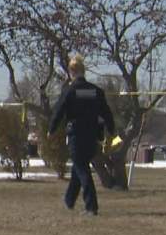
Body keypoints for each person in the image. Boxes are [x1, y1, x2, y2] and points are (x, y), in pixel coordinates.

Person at [48, 55, 116, 216]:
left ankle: (91, 207)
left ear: (71, 72)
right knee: (78, 168)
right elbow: (106, 112)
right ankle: (69, 200)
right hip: (92, 136)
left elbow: (59, 111)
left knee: (82, 169)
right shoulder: (95, 91)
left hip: (76, 135)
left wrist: (51, 129)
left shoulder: (70, 91)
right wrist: (112, 129)